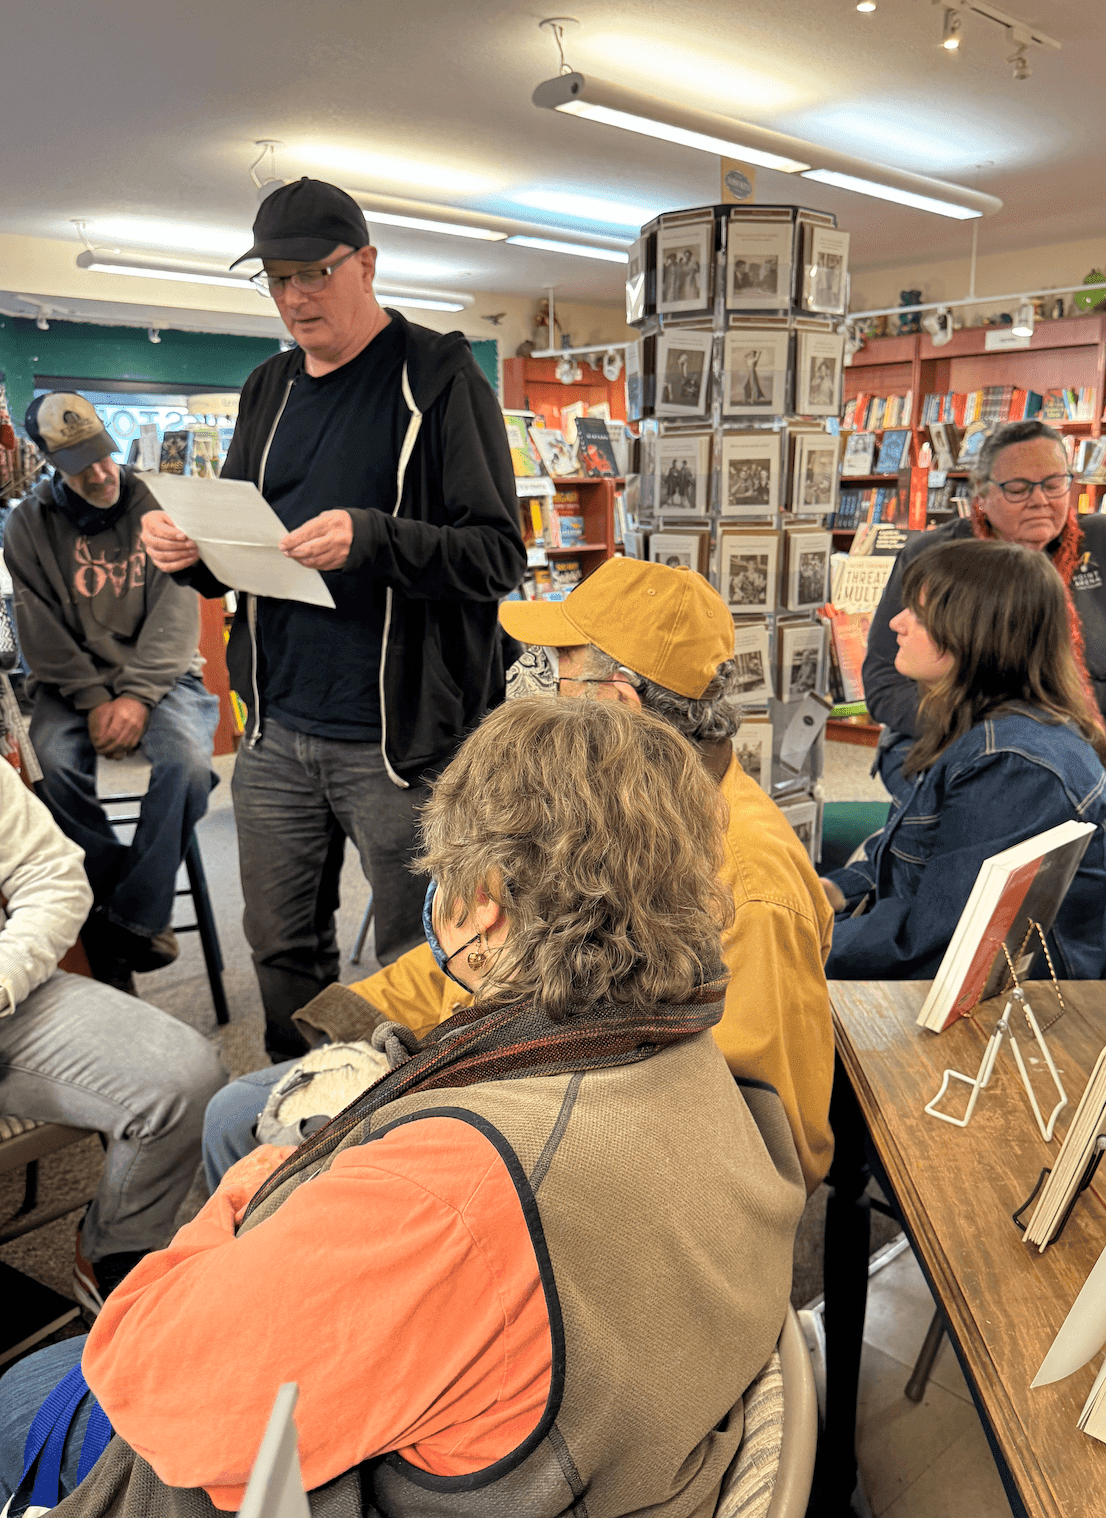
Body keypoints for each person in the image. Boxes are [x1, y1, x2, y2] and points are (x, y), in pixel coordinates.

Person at [0, 699, 806, 1518]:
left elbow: (152, 1377)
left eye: (444, 873)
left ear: (485, 898)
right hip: (608, 1438)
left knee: (24, 1393)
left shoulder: (450, 1193)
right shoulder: (693, 1054)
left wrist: (263, 1174)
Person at [204, 559, 836, 1196]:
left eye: (556, 666)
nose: (530, 681)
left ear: (616, 701)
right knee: (246, 1110)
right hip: (516, 1075)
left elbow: (771, 1140)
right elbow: (489, 948)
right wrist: (361, 1015)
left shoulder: (749, 884)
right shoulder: (600, 797)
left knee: (239, 1124)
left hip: (575, 1147)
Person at [140, 178, 527, 1060]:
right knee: (279, 946)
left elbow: (497, 554)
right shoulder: (267, 387)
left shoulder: (438, 376)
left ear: (366, 264)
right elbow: (247, 540)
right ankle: (296, 1102)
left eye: (313, 272)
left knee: (421, 953)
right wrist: (189, 552)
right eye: (276, 279)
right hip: (274, 730)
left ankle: (407, 1123)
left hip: (400, 744)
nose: (295, 297)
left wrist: (375, 538)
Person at [863, 418, 1106, 932]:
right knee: (962, 837)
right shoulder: (936, 555)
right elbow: (883, 682)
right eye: (1018, 488)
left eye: (1055, 483)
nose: (1040, 499)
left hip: (1100, 748)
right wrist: (986, 730)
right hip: (949, 736)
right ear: (981, 497)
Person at [823, 539, 1106, 980]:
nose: (896, 624)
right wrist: (833, 892)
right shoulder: (982, 730)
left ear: (975, 631)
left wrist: (795, 945)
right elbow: (919, 868)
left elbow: (934, 944)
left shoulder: (1014, 764)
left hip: (990, 1022)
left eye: (918, 614)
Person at [6, 393, 219, 989]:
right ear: (49, 462)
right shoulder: (26, 524)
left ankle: (126, 921)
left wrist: (137, 695)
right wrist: (95, 699)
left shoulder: (157, 502)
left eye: (103, 455)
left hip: (165, 675)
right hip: (73, 686)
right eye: (80, 464)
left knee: (188, 764)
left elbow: (177, 616)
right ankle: (123, 898)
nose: (100, 473)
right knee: (49, 770)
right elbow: (38, 626)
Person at [0, 758, 226, 1313]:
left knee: (188, 1080)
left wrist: (5, 977)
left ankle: (111, 1250)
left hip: (9, 993)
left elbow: (51, 874)